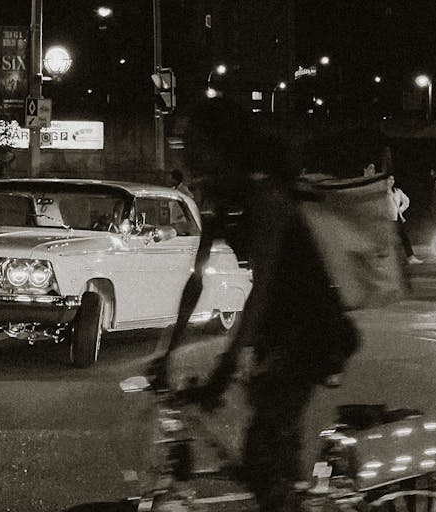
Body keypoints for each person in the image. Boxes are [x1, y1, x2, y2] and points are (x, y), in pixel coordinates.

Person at [150, 98, 360, 512]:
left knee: (265, 456)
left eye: (191, 142)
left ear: (219, 145)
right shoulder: (219, 194)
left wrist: (226, 368)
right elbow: (196, 280)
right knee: (267, 452)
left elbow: (261, 290)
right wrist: (167, 351)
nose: (184, 151)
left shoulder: (268, 196)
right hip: (277, 333)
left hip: (311, 332)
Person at [388, 175, 422, 263]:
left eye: (393, 179)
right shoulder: (383, 193)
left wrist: (400, 210)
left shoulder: (397, 191)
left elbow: (406, 201)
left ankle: (410, 257)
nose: (391, 181)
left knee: (404, 237)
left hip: (397, 218)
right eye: (389, 179)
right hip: (387, 219)